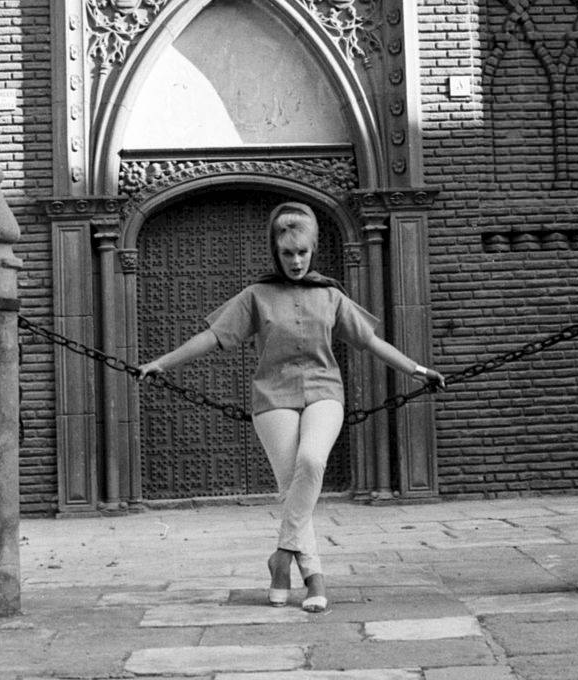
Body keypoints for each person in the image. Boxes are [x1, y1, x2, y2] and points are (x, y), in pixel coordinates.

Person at [137, 200, 444, 613]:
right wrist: (162, 362)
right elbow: (212, 336)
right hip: (273, 399)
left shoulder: (331, 295)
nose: (296, 261)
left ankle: (280, 558)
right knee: (295, 490)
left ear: (314, 248)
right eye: (287, 253)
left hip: (324, 393)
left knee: (312, 463)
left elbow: (371, 341)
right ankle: (313, 579)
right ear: (275, 252)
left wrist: (417, 369)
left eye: (303, 252)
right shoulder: (256, 295)